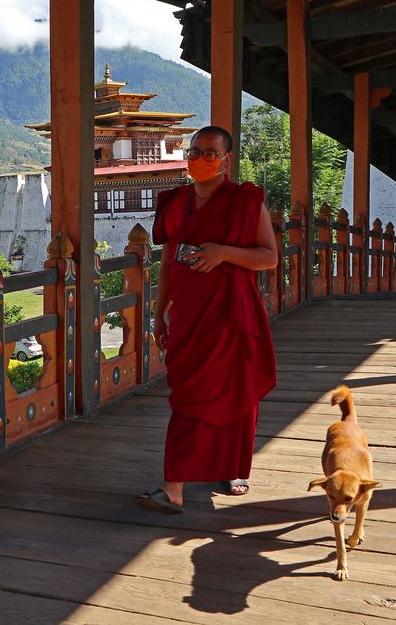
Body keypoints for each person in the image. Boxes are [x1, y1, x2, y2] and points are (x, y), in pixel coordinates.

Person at [136, 125, 278, 514]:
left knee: (234, 390)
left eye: (210, 154)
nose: (199, 160)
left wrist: (224, 253)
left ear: (226, 160)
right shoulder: (177, 202)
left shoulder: (246, 202)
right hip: (188, 313)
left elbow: (269, 257)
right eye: (194, 152)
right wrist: (159, 312)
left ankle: (225, 469)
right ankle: (175, 484)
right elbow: (167, 261)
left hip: (231, 312)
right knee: (188, 394)